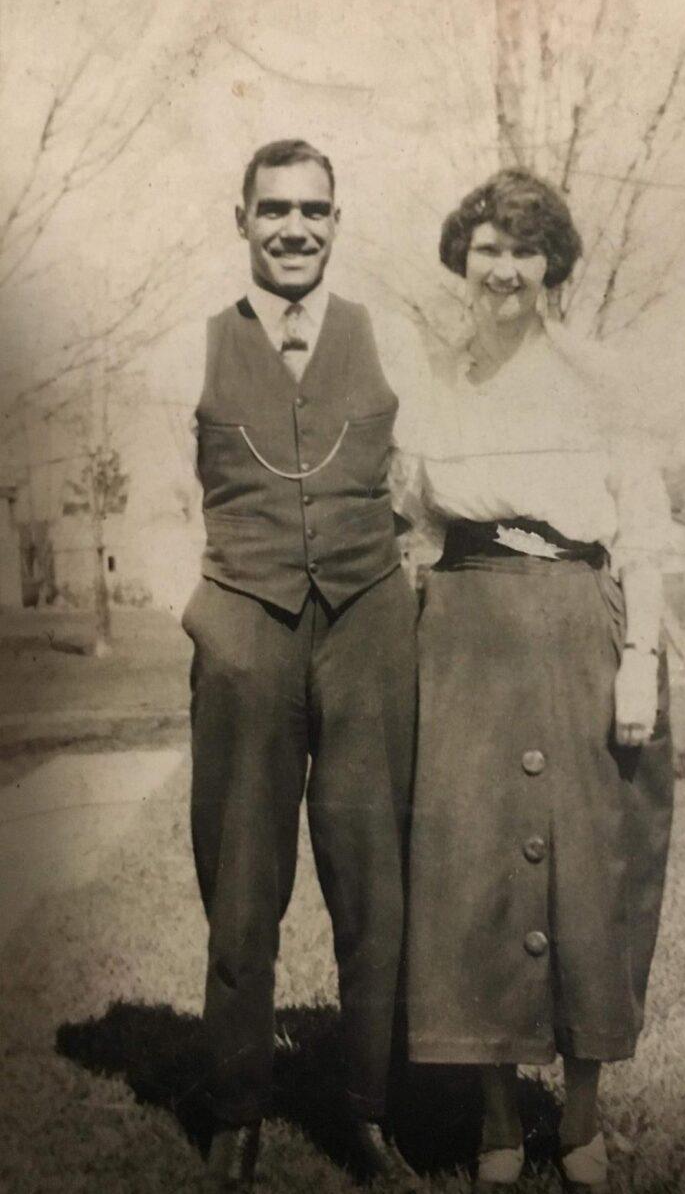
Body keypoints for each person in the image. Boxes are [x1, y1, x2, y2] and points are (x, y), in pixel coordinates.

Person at [402, 169, 675, 1193]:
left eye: (524, 249)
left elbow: (641, 528)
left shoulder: (601, 380)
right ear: (461, 261)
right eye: (486, 247)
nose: (504, 268)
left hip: (576, 628)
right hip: (465, 633)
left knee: (588, 868)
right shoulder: (435, 384)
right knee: (469, 872)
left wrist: (638, 656)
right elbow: (417, 528)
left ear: (552, 264)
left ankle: (586, 1117)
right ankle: (493, 1120)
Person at [181, 139, 422, 1189]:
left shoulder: (386, 336)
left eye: (313, 211)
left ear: (336, 221)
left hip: (368, 622)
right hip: (246, 622)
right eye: (273, 209)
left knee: (375, 877)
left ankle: (368, 1109)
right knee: (241, 877)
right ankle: (237, 1107)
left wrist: (392, 572)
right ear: (239, 218)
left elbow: (421, 481)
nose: (293, 228)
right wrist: (212, 619)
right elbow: (154, 492)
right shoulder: (185, 344)